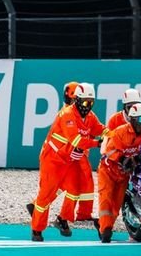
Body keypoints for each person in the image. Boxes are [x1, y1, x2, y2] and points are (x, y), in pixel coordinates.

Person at [28, 82, 104, 242]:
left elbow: (100, 128)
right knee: (46, 195)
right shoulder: (67, 115)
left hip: (68, 160)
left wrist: (113, 134)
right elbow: (76, 140)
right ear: (76, 100)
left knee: (74, 189)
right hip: (53, 159)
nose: (88, 106)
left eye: (91, 103)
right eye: (85, 102)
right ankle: (36, 229)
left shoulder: (89, 116)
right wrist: (98, 143)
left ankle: (62, 219)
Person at [97, 103, 141, 243]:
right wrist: (122, 158)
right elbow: (109, 151)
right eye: (140, 119)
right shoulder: (120, 132)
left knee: (116, 205)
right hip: (108, 171)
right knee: (106, 199)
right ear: (132, 120)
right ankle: (105, 230)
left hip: (124, 175)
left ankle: (105, 227)